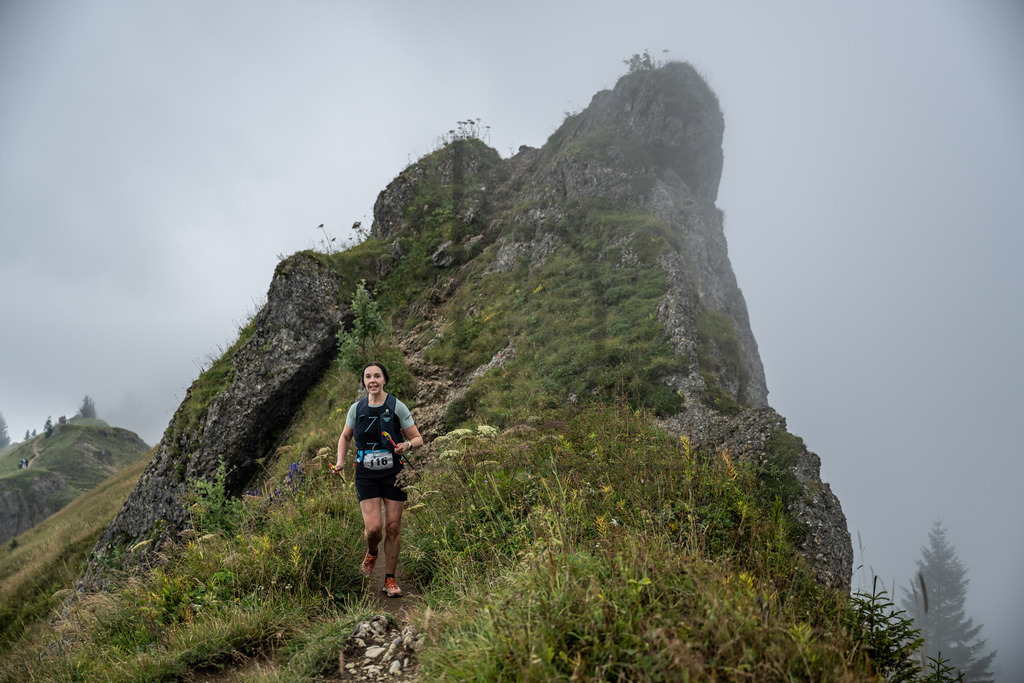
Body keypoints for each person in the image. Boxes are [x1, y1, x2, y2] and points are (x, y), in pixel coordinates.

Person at [333, 361, 422, 598]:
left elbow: (417, 438)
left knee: (393, 527)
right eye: (368, 377)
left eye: (377, 376)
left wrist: (407, 445)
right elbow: (345, 436)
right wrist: (340, 461)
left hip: (394, 473)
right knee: (374, 529)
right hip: (366, 475)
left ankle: (390, 579)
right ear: (364, 381)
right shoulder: (357, 409)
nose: (372, 380)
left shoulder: (396, 406)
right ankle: (372, 552)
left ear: (384, 380)